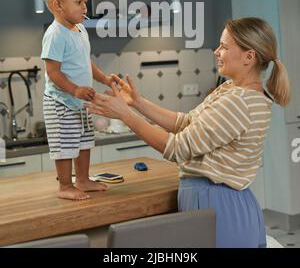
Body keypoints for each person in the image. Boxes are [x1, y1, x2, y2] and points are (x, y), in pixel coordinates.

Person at [85, 17, 290, 247]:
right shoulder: (232, 90)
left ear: (248, 57)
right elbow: (187, 122)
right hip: (221, 204)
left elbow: (178, 147)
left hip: (220, 208)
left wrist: (126, 116)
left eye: (224, 46)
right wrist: (138, 103)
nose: (216, 51)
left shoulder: (238, 101)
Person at [41, 0, 113, 201]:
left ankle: (82, 179)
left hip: (80, 101)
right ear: (58, 5)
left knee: (84, 140)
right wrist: (74, 90)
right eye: (79, 2)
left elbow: (85, 61)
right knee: (65, 144)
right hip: (61, 102)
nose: (85, 7)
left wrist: (104, 79)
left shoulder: (79, 30)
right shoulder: (55, 34)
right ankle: (65, 185)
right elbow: (53, 72)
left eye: (85, 1)